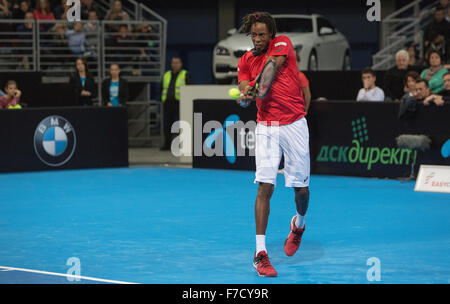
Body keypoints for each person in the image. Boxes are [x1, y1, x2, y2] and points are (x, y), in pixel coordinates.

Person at [236, 12, 310, 277]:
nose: (257, 39)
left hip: (294, 124)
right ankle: (260, 254)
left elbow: (272, 66)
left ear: (271, 35)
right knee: (265, 186)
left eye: (262, 34)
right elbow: (245, 87)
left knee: (301, 189)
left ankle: (299, 225)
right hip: (266, 126)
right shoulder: (244, 60)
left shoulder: (282, 43)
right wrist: (246, 97)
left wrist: (257, 88)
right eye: (254, 34)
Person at [160, 56, 192, 150]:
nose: (175, 65)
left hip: (181, 103)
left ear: (181, 64)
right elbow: (162, 88)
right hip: (168, 103)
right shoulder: (166, 75)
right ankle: (167, 145)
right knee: (167, 125)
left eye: (177, 63)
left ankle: (183, 145)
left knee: (182, 125)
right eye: (173, 63)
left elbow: (189, 88)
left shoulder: (185, 74)